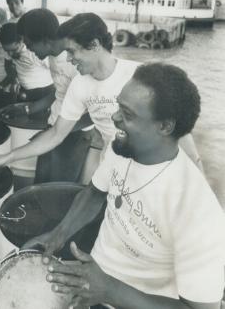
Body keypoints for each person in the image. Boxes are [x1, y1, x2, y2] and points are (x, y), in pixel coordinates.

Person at [22, 63, 225, 309]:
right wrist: (57, 236)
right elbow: (94, 194)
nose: (114, 117)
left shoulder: (199, 212)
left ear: (165, 126)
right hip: (91, 280)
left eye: (127, 114)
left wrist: (109, 290)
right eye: (119, 105)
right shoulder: (122, 149)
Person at [0, 13, 202, 176]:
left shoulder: (140, 76)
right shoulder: (79, 85)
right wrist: (7, 157)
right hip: (113, 165)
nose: (68, 59)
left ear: (94, 45)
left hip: (154, 167)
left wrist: (197, 172)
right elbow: (57, 133)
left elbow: (180, 131)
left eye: (72, 51)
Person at [0, 22, 55, 106]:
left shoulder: (34, 52)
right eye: (7, 50)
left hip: (43, 92)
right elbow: (8, 65)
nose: (10, 54)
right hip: (24, 90)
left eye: (14, 50)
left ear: (21, 40)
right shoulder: (9, 49)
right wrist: (14, 79)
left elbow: (55, 71)